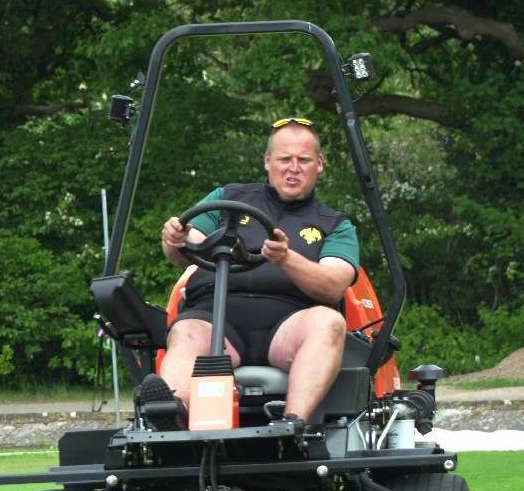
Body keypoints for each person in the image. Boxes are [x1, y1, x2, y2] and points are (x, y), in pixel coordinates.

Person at [139, 117, 359, 429]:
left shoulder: (335, 224)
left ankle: (292, 424)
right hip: (214, 318)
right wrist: (176, 239)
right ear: (268, 161)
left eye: (304, 160)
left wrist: (286, 260)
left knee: (330, 322)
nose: (293, 168)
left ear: (319, 164)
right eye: (284, 159)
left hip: (286, 328)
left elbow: (334, 285)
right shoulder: (228, 198)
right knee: (184, 331)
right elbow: (186, 248)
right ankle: (171, 419)